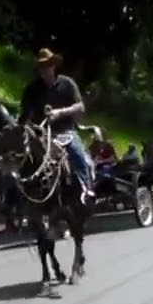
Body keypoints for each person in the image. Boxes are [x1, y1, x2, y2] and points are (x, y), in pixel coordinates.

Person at [19, 48, 93, 200]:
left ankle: (86, 189)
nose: (44, 69)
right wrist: (17, 127)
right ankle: (18, 194)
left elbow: (80, 106)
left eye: (47, 65)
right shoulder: (32, 89)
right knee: (19, 155)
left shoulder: (67, 83)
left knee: (77, 153)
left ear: (53, 66)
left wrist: (60, 113)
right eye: (41, 66)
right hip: (39, 134)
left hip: (65, 131)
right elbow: (24, 113)